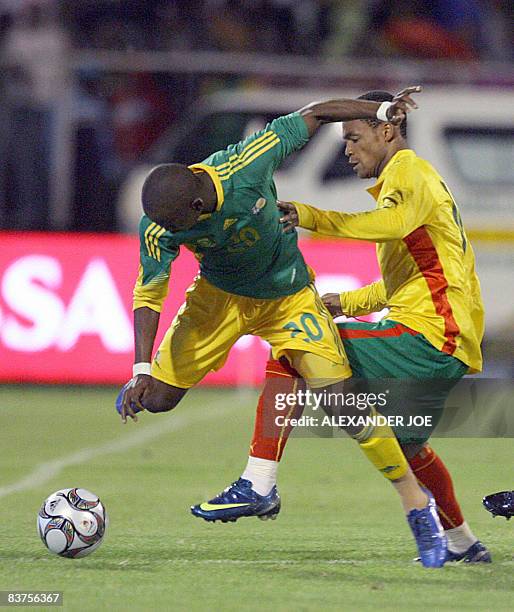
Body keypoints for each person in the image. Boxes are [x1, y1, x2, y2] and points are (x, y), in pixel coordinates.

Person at [116, 87, 449, 567]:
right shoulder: (161, 224)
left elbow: (316, 113)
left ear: (195, 206)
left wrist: (378, 110)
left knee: (346, 406)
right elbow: (149, 292)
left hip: (288, 296)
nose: (166, 235)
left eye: (174, 227)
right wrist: (140, 367)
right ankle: (260, 486)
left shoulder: (246, 163)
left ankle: (417, 505)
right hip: (219, 300)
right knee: (157, 400)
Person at [211, 90, 490, 564]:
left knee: (293, 346)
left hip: (429, 337)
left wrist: (310, 214)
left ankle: (258, 481)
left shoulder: (409, 172)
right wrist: (348, 301)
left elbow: (390, 223)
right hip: (445, 338)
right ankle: (464, 544)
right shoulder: (418, 181)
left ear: (387, 131)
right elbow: (415, 276)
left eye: (354, 136)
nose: (347, 148)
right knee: (408, 445)